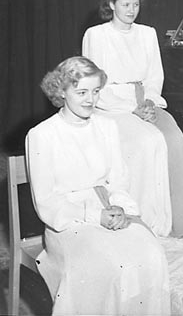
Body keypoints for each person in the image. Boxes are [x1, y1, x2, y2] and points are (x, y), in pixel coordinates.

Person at [26, 56, 170, 316]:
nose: (90, 100)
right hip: (68, 222)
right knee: (114, 265)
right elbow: (47, 202)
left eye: (95, 91)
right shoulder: (41, 135)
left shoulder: (107, 126)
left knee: (152, 255)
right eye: (81, 92)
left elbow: (118, 180)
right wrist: (95, 216)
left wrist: (121, 208)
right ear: (61, 91)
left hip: (107, 208)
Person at [82, 0, 183, 238]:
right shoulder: (96, 35)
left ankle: (176, 219)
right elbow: (95, 83)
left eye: (135, 4)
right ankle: (144, 221)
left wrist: (149, 101)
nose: (131, 10)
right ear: (112, 4)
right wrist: (129, 107)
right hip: (111, 106)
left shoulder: (147, 33)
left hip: (144, 101)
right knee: (147, 142)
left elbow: (155, 76)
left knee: (174, 140)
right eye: (125, 4)